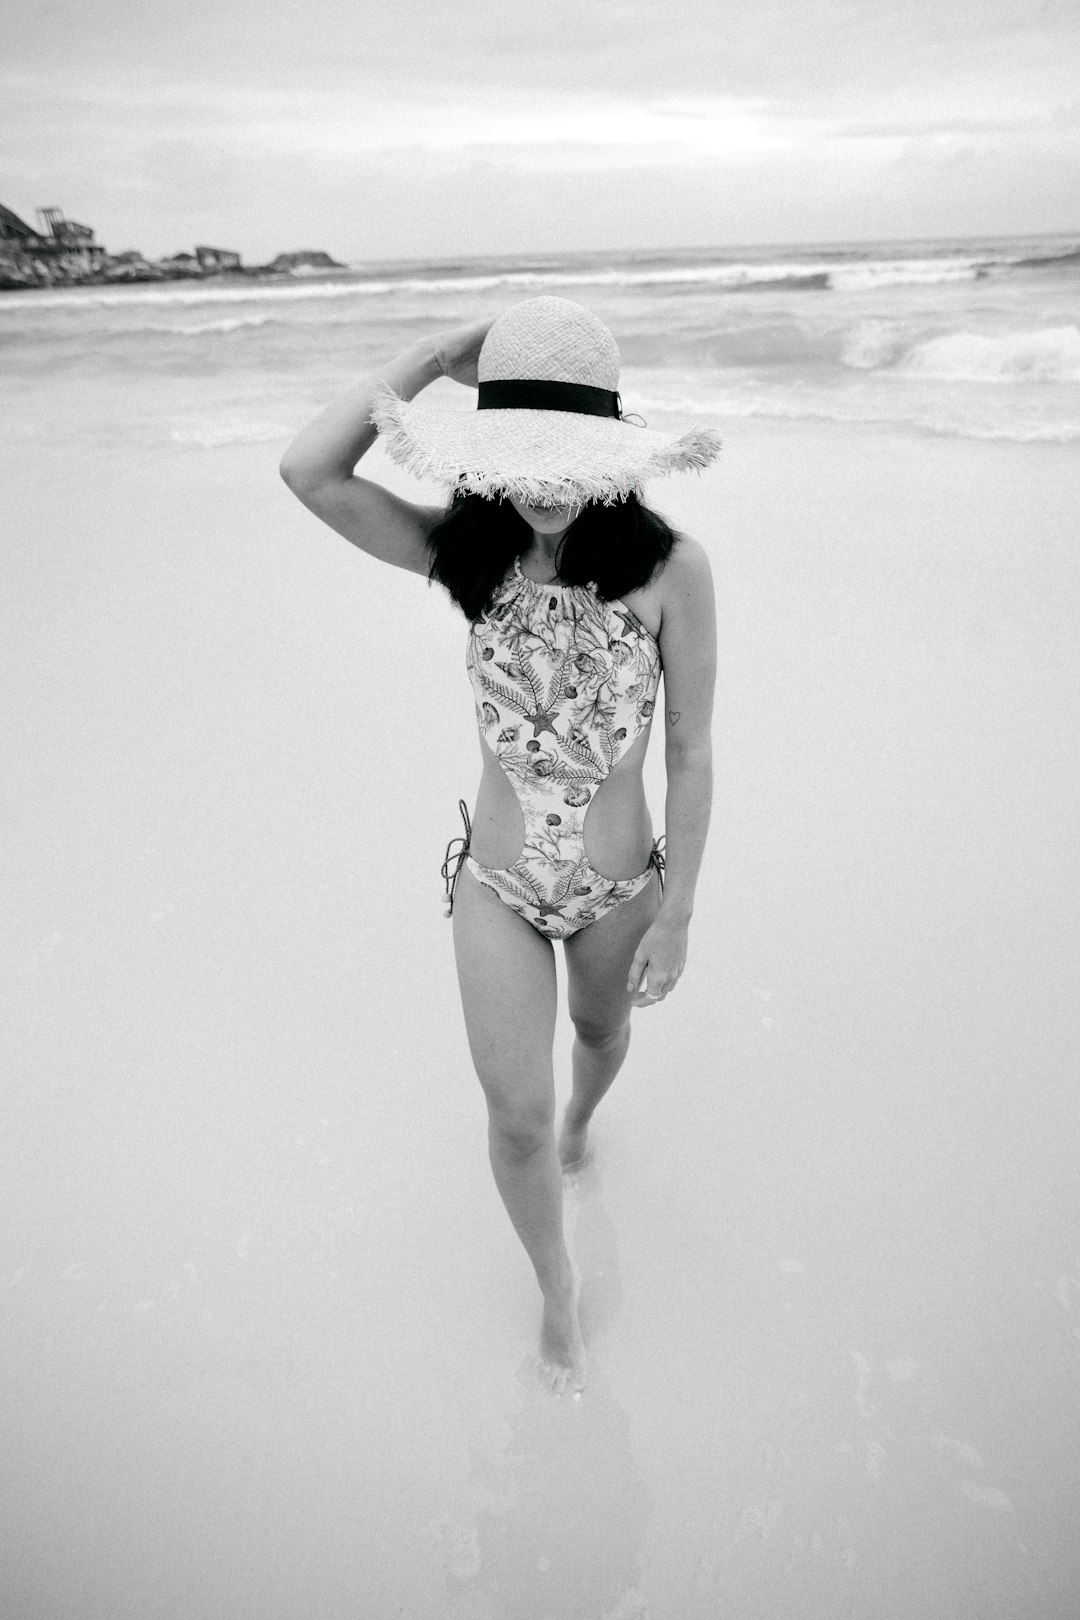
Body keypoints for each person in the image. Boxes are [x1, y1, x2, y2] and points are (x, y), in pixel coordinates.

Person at [280, 296, 720, 1396]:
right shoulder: (464, 554)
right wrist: (436, 355)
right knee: (514, 1121)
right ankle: (557, 1288)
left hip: (621, 888)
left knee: (599, 1038)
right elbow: (309, 471)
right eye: (520, 455)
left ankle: (590, 1116)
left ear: (615, 456)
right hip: (499, 885)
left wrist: (678, 913)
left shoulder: (672, 569)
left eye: (567, 459)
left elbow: (693, 750)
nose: (543, 484)